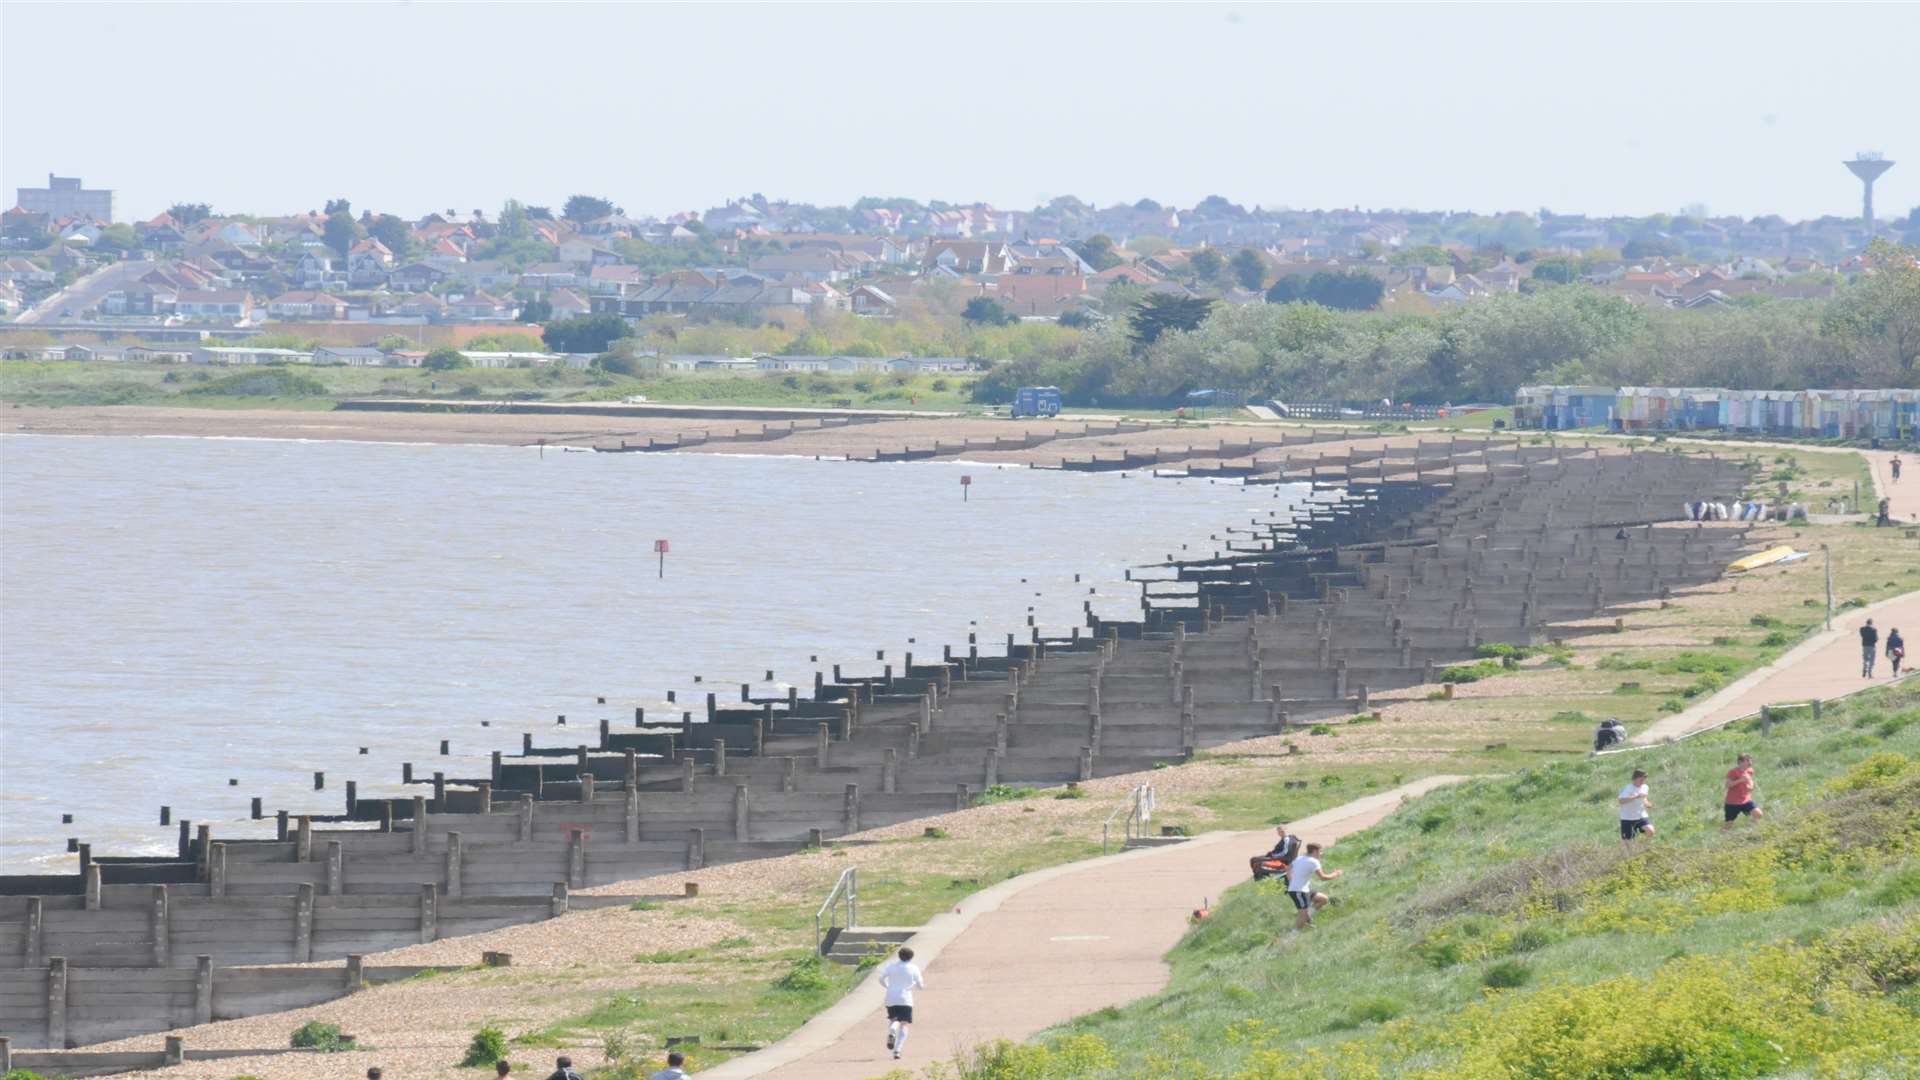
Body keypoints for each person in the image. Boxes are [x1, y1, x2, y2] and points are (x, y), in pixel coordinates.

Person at [879, 946, 926, 1060]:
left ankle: (893, 1030)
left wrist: (887, 986)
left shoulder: (891, 966)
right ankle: (897, 1050)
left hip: (890, 997)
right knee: (904, 1023)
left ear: (899, 955)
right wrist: (914, 984)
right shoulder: (913, 968)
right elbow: (921, 986)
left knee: (894, 1019)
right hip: (905, 998)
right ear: (911, 957)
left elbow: (881, 978)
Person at [1285, 842, 1343, 930]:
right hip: (1298, 891)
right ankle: (1292, 936)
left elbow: (1288, 869)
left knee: (1323, 899)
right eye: (1320, 852)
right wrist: (1336, 874)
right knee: (1302, 915)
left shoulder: (1299, 858)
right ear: (1315, 851)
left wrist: (1291, 880)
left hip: (1304, 889)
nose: (1321, 854)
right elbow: (1323, 877)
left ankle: (1308, 916)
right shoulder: (1314, 861)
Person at [1722, 753, 1763, 830]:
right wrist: (1740, 780)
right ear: (1740, 762)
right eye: (1747, 761)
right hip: (1733, 803)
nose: (1750, 763)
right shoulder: (1733, 772)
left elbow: (1750, 780)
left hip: (1746, 800)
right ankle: (1721, 835)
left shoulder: (1750, 771)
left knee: (1758, 814)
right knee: (1728, 825)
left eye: (1750, 760)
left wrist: (1751, 786)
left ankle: (1750, 829)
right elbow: (1728, 785)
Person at [1619, 769, 1655, 853]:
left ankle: (1644, 848)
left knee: (1650, 830)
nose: (1643, 782)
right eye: (1641, 780)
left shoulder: (1645, 787)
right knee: (1628, 844)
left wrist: (1648, 804)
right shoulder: (1628, 788)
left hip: (1641, 816)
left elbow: (1644, 799)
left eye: (1644, 780)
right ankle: (1629, 858)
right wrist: (1635, 797)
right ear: (1635, 779)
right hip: (1627, 818)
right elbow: (1621, 801)